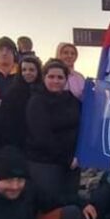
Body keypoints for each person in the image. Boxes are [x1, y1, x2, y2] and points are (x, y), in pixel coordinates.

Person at [26, 60, 82, 209]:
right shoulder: (37, 101)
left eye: (60, 77)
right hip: (46, 163)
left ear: (66, 79)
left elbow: (88, 119)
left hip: (72, 164)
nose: (55, 81)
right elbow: (42, 137)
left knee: (71, 204)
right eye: (51, 77)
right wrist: (67, 159)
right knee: (51, 206)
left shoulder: (72, 100)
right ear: (44, 77)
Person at [0, 55, 42, 150]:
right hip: (17, 142)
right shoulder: (12, 93)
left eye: (31, 70)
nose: (27, 73)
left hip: (38, 144)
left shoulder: (43, 92)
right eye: (24, 70)